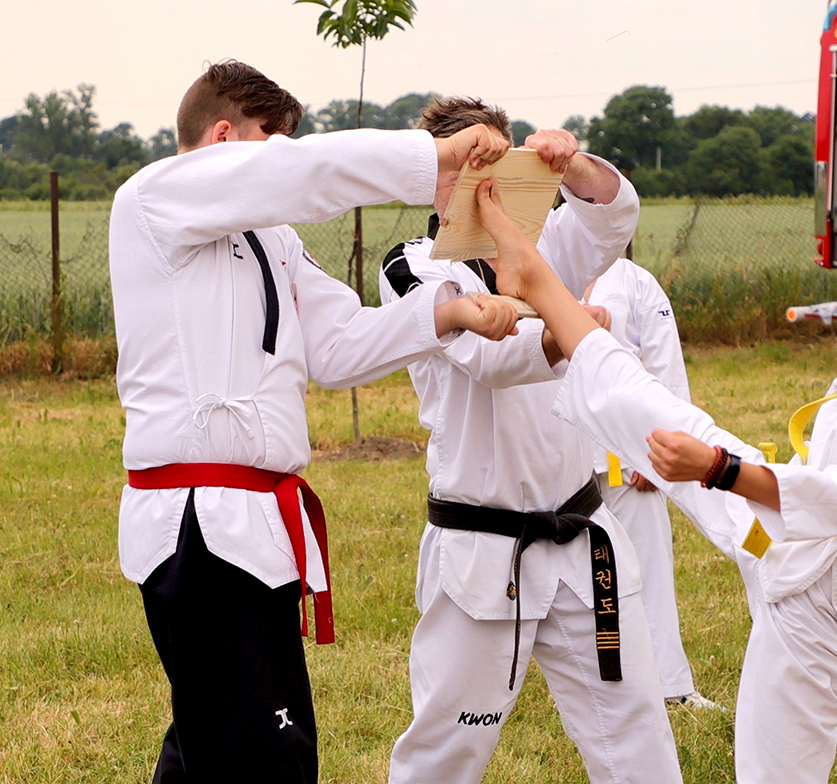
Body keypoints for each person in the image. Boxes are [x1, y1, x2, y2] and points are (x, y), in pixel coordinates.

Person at [474, 181, 837, 783]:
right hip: (799, 537)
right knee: (648, 407)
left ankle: (536, 278)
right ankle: (537, 278)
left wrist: (717, 469)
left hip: (819, 589)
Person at [109, 61, 518, 783]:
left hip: (250, 525)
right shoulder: (154, 198)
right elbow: (296, 173)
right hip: (198, 524)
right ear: (224, 137)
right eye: (272, 143)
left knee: (217, 740)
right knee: (263, 756)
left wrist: (449, 313)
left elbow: (337, 345)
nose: (281, 162)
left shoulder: (272, 238)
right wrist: (437, 157)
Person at [377, 98, 683, 784]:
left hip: (581, 535)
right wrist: (567, 331)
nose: (482, 184)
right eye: (465, 166)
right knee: (448, 748)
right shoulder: (414, 268)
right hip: (482, 547)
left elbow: (614, 214)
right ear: (431, 176)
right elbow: (487, 357)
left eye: (499, 164)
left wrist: (568, 163)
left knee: (635, 729)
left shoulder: (546, 250)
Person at [584, 259, 719, 709]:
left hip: (626, 459)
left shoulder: (634, 282)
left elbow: (665, 369)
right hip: (559, 457)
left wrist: (658, 450)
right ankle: (596, 684)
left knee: (648, 571)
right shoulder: (539, 270)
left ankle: (671, 686)